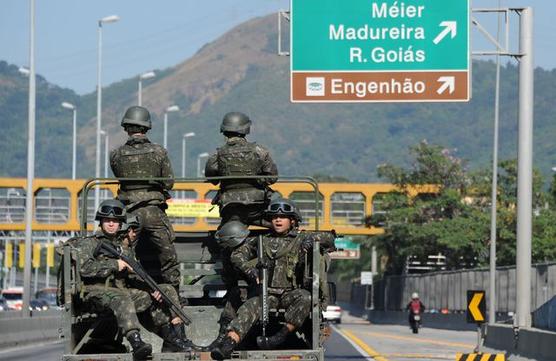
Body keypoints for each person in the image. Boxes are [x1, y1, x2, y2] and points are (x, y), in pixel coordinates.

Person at [210, 198, 335, 360]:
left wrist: (313, 240)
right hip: (267, 294)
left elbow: (330, 238)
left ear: (292, 220)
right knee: (249, 307)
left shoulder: (302, 238)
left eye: (282, 217)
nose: (277, 220)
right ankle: (228, 344)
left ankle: (280, 336)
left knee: (306, 297)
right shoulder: (261, 240)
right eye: (274, 217)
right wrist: (251, 271)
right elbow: (237, 255)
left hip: (291, 294)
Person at [73, 199, 193, 358]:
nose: (111, 224)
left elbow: (135, 274)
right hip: (95, 293)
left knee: (164, 291)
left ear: (120, 223)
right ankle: (136, 341)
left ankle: (172, 338)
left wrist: (151, 289)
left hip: (120, 291)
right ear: (100, 222)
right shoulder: (89, 243)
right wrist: (115, 265)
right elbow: (85, 269)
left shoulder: (122, 249)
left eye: (115, 221)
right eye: (107, 220)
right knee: (122, 298)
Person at [110, 106, 180, 289]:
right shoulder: (158, 152)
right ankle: (174, 293)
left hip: (129, 212)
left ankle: (125, 289)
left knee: (124, 253)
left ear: (126, 127)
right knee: (168, 255)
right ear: (146, 127)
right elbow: (169, 182)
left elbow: (119, 177)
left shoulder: (116, 154)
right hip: (154, 212)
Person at [204, 111, 278, 229]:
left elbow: (211, 178)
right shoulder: (259, 151)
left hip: (229, 205)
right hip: (257, 204)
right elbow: (272, 178)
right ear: (246, 129)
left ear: (224, 130)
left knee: (223, 236)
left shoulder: (217, 154)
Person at [208, 221, 251, 349]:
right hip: (241, 288)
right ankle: (223, 337)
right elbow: (229, 277)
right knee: (235, 295)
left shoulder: (248, 248)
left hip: (258, 288)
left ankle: (224, 337)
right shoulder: (229, 253)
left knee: (236, 296)